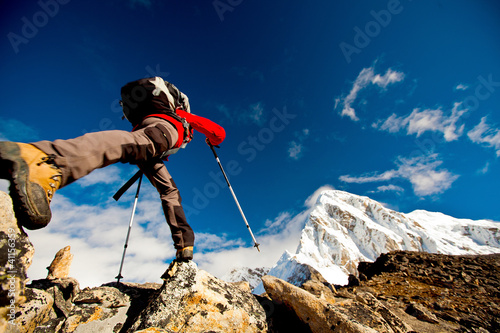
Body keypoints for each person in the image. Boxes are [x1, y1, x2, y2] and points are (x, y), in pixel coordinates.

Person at [0, 77, 225, 262]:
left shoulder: (153, 116)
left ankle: (184, 246)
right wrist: (212, 140)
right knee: (137, 146)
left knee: (169, 190)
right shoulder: (179, 116)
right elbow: (217, 131)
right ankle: (47, 161)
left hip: (152, 143)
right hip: (163, 131)